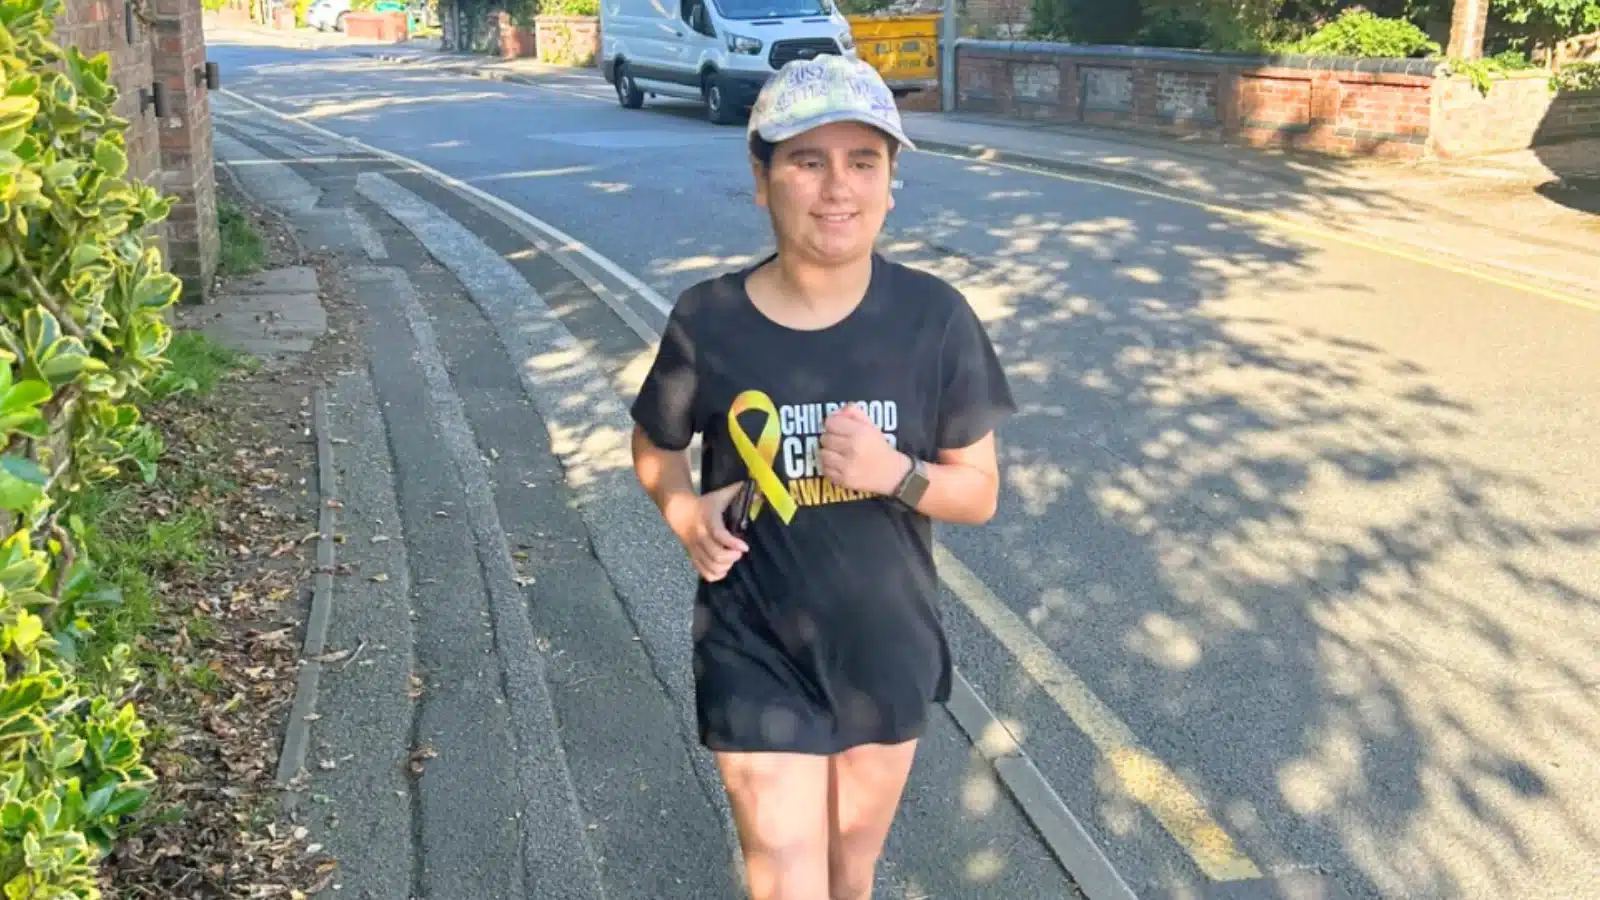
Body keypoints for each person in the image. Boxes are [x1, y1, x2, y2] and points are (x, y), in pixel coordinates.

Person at [628, 53, 1016, 900]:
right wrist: (684, 512)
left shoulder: (934, 318)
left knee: (851, 871)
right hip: (752, 642)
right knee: (786, 876)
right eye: (808, 160)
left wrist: (896, 474)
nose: (838, 187)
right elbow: (654, 448)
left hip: (884, 643)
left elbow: (978, 492)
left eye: (862, 161)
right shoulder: (710, 320)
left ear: (889, 182)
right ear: (763, 178)